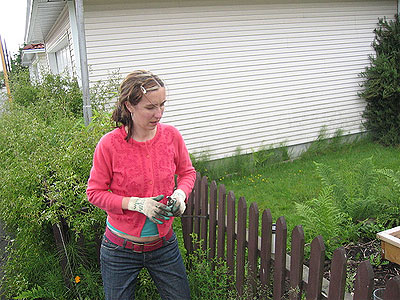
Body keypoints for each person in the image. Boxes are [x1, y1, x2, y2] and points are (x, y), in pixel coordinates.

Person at [86, 70, 196, 300]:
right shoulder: (109, 145)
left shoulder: (171, 136)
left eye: (162, 105)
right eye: (150, 107)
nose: (159, 113)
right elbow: (94, 193)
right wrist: (136, 204)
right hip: (120, 249)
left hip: (164, 245)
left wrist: (180, 194)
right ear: (129, 106)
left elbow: (187, 173)